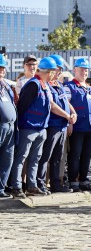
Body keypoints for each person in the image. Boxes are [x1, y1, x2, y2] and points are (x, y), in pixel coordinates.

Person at [11, 57, 73, 198]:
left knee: (35, 159)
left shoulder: (44, 85)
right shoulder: (33, 84)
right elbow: (22, 107)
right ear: (48, 72)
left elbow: (50, 106)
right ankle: (17, 187)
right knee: (21, 158)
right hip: (29, 128)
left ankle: (32, 186)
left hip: (41, 128)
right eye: (52, 71)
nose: (54, 74)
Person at [37, 55, 77, 193]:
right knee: (45, 156)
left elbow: (66, 101)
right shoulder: (46, 84)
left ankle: (55, 184)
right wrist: (67, 116)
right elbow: (52, 105)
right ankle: (40, 183)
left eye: (59, 69)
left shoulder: (59, 85)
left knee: (58, 158)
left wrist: (73, 113)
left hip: (62, 126)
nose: (59, 72)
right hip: (53, 125)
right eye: (57, 69)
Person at [64, 58, 91, 192]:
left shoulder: (90, 89)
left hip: (90, 127)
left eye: (86, 70)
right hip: (77, 127)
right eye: (81, 70)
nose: (84, 72)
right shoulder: (69, 87)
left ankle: (83, 179)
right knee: (75, 154)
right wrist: (69, 122)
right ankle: (73, 181)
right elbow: (66, 103)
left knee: (87, 155)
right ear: (75, 70)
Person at [0, 54, 16, 198]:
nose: (2, 70)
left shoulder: (5, 85)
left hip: (10, 126)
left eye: (3, 68)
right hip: (1, 126)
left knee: (7, 158)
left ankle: (1, 188)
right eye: (0, 68)